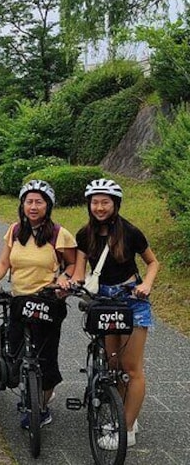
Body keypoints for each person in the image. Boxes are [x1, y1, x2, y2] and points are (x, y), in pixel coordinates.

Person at [0, 180, 77, 429]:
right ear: (22, 204)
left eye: (39, 202)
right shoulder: (14, 230)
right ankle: (27, 386)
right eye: (29, 201)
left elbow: (73, 265)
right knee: (17, 352)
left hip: (47, 301)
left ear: (48, 205)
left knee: (46, 357)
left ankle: (42, 406)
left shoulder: (59, 234)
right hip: (19, 300)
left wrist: (64, 280)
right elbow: (4, 262)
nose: (33, 207)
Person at [72, 178, 158, 449]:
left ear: (115, 205)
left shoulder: (130, 232)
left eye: (105, 202)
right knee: (113, 366)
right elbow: (78, 269)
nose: (99, 207)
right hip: (104, 301)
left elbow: (153, 262)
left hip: (131, 299)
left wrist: (146, 284)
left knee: (132, 369)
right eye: (95, 202)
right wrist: (70, 284)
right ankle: (123, 413)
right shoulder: (84, 234)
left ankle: (128, 428)